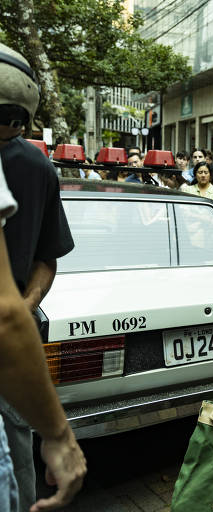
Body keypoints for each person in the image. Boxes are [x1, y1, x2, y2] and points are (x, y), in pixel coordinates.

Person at [0, 42, 86, 511]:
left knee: (15, 453)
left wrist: (23, 307)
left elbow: (46, 258)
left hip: (12, 340)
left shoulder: (36, 171)